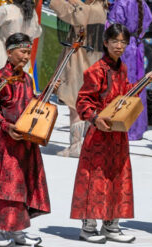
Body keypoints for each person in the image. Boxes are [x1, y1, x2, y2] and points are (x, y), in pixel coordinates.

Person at [71, 22, 152, 244]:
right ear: (105, 43)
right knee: (95, 178)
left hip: (117, 134)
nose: (119, 46)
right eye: (115, 41)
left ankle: (111, 225)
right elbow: (83, 101)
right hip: (99, 134)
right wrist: (95, 118)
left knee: (117, 176)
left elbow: (124, 95)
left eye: (123, 42)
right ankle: (88, 226)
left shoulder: (122, 68)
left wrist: (143, 82)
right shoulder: (95, 71)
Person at [0, 32, 50, 247]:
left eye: (28, 52)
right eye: (22, 51)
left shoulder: (28, 79)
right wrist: (5, 125)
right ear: (9, 52)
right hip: (7, 142)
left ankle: (19, 230)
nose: (26, 56)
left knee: (25, 186)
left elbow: (30, 107)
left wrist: (46, 95)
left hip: (27, 141)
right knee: (6, 187)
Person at [47, 0, 107, 157]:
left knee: (74, 102)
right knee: (87, 103)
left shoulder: (88, 9)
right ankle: (86, 144)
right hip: (92, 60)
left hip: (79, 59)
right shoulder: (101, 8)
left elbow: (74, 17)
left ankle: (76, 146)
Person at [108, 0, 152, 141]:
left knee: (121, 86)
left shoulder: (123, 2)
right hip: (136, 46)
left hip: (124, 47)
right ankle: (135, 128)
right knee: (136, 87)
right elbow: (149, 19)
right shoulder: (142, 3)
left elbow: (112, 27)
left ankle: (120, 125)